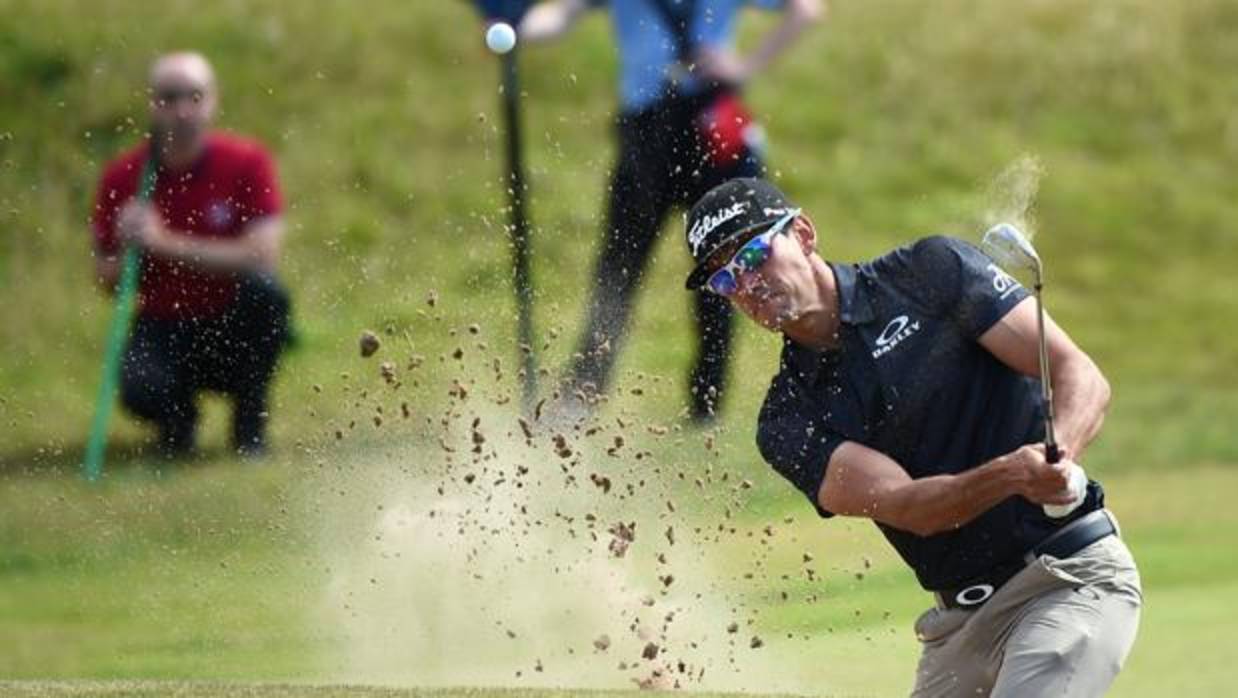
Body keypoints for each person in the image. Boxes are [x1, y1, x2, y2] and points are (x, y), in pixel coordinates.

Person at [682, 178, 1141, 696]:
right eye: (725, 279)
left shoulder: (929, 274)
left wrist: (1060, 457)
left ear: (804, 234)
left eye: (754, 255)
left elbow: (1077, 373)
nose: (746, 284)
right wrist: (1013, 474)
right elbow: (912, 509)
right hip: (957, 630)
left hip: (1067, 578)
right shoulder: (787, 419)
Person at [518, 0, 824, 422]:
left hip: (715, 131)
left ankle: (706, 402)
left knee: (726, 270)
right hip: (647, 133)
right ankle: (580, 396)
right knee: (619, 267)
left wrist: (745, 67)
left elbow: (805, 9)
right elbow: (557, 16)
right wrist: (515, 29)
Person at [90, 52, 291, 458]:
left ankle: (249, 426)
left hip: (230, 322)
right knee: (138, 387)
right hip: (164, 324)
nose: (182, 110)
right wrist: (128, 245)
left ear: (213, 101)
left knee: (267, 295)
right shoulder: (122, 176)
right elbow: (106, 279)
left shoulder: (248, 162)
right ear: (152, 103)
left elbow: (262, 256)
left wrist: (164, 243)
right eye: (169, 97)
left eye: (193, 96)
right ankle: (178, 426)